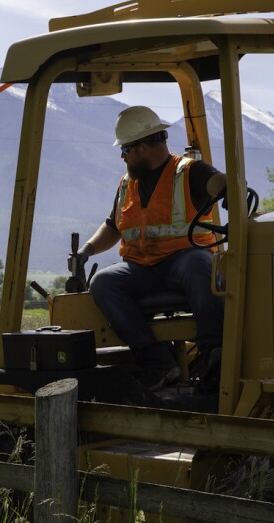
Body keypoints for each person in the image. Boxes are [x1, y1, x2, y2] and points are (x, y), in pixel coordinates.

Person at [77, 106, 226, 391]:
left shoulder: (188, 172)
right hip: (141, 268)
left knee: (200, 265)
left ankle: (214, 357)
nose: (122, 156)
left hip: (182, 262)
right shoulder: (127, 184)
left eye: (125, 149)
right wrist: (86, 250)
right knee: (103, 283)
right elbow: (113, 226)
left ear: (143, 146)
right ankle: (156, 362)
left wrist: (227, 187)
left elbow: (217, 182)